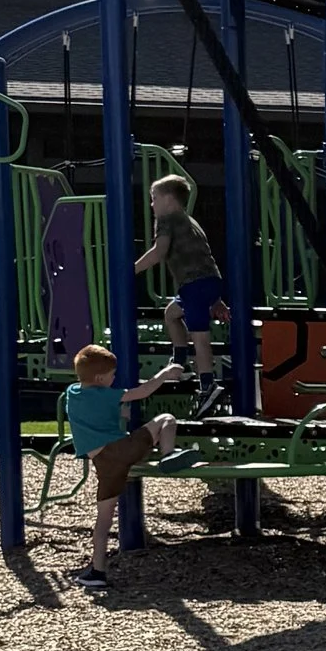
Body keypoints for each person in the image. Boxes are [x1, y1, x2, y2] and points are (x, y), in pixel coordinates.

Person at [60, 340, 187, 589]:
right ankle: (168, 454)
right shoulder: (108, 393)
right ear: (99, 378)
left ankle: (97, 572)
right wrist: (165, 373)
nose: (114, 378)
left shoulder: (72, 395)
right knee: (166, 420)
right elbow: (142, 392)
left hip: (103, 464)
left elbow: (94, 414)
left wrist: (120, 413)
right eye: (111, 375)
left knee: (104, 518)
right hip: (122, 451)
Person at [132, 172, 224, 383]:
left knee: (200, 337)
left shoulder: (166, 220)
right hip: (210, 281)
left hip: (194, 284)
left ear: (168, 199)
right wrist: (216, 298)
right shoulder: (190, 221)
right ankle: (180, 361)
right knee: (171, 314)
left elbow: (159, 251)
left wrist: (132, 270)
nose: (151, 204)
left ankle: (207, 386)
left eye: (154, 198)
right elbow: (203, 256)